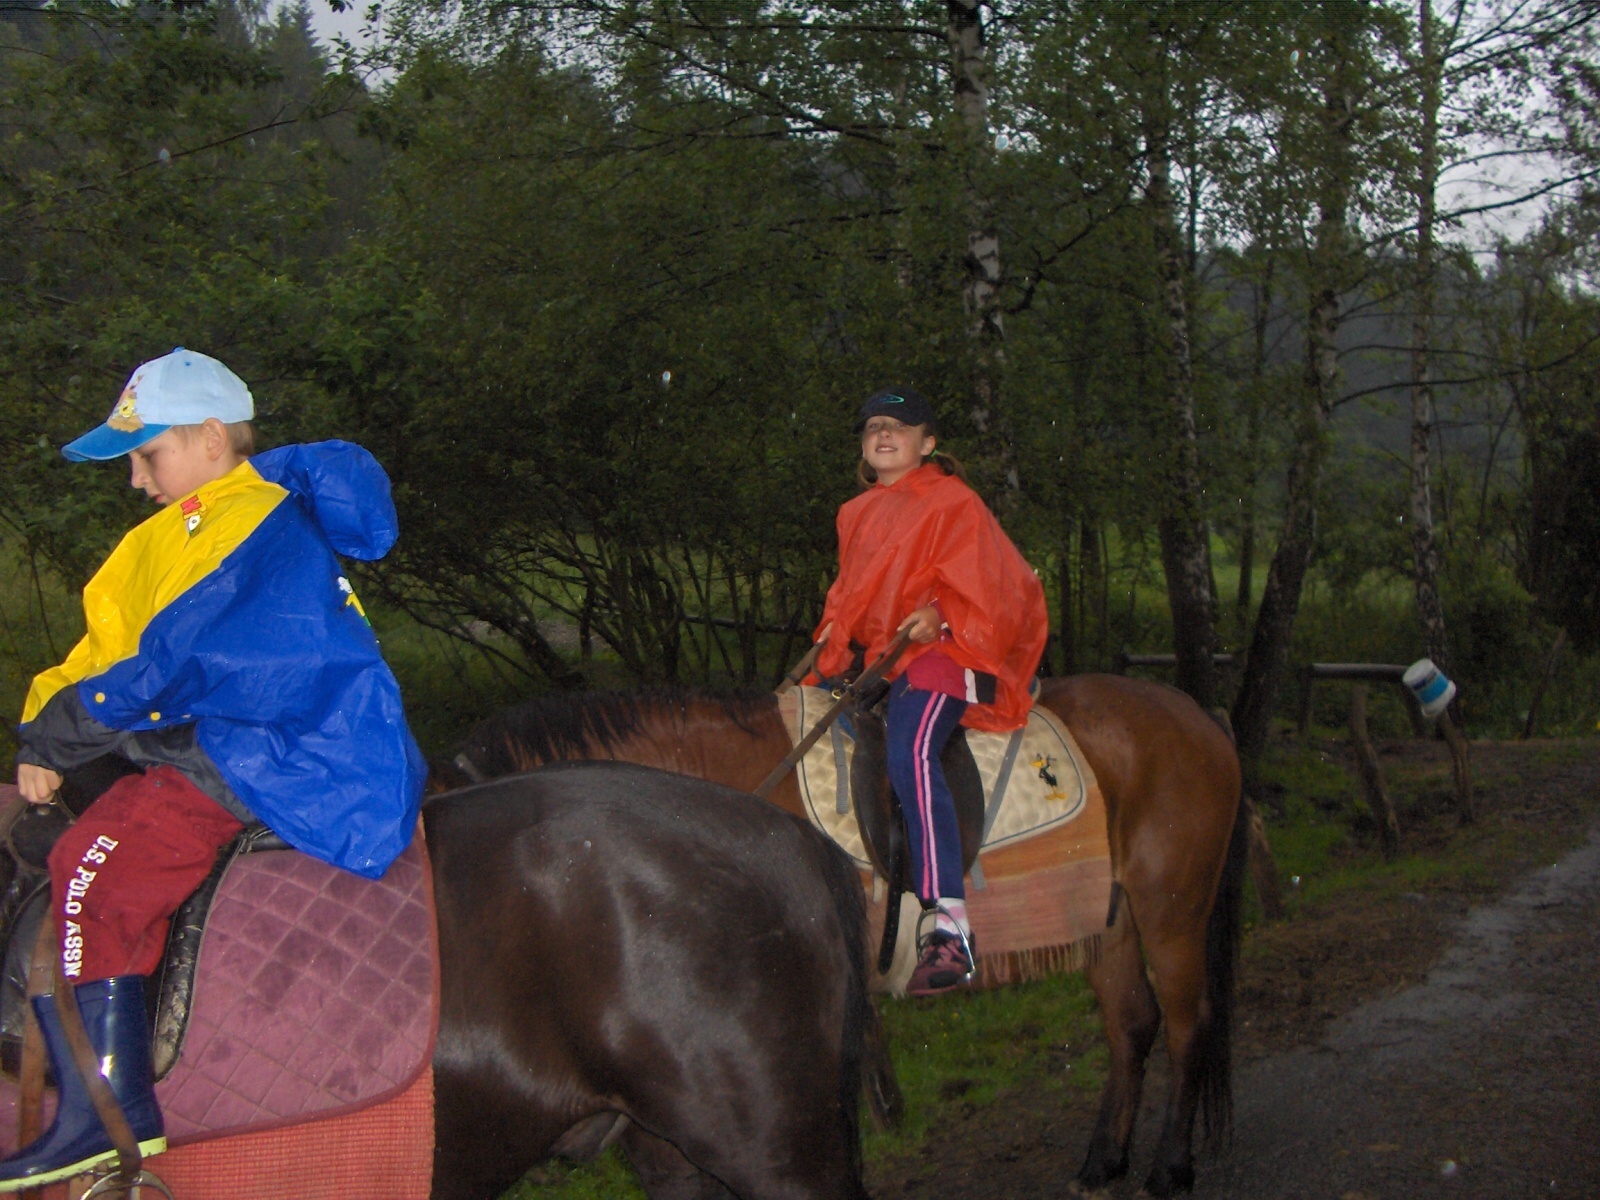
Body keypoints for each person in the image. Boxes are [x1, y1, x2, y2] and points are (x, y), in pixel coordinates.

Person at [3, 348, 426, 1190]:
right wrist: (35, 732)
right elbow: (109, 649)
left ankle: (105, 1120)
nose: (133, 478)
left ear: (205, 438)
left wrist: (63, 734)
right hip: (228, 736)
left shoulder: (248, 523)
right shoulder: (181, 529)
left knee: (95, 871)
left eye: (145, 454)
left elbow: (184, 657)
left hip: (282, 751)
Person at [814, 387, 1047, 997]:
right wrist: (827, 647)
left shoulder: (955, 503)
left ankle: (950, 926)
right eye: (872, 428)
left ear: (928, 442)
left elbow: (1002, 584)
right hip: (886, 661)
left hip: (949, 653)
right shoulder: (855, 513)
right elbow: (850, 599)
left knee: (910, 749)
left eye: (897, 425)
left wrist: (942, 612)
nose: (882, 434)